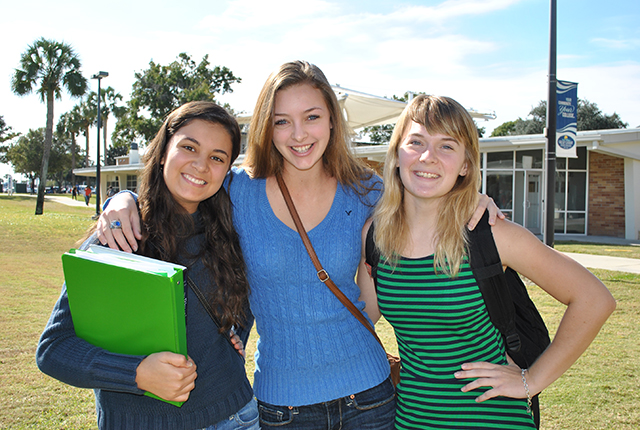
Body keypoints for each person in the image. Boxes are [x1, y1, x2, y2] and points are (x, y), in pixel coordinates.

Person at [96, 61, 501, 430]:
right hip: (283, 409)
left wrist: (472, 198)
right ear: (267, 128)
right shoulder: (237, 192)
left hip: (371, 398)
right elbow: (178, 197)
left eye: (312, 117)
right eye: (282, 121)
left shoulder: (367, 191)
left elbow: (427, 193)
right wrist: (122, 200)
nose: (299, 134)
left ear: (330, 122)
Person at [360, 94, 616, 429]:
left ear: (466, 165)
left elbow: (595, 299)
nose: (428, 157)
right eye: (416, 142)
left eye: (447, 146)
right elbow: (360, 321)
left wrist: (531, 380)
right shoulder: (376, 236)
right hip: (412, 420)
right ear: (396, 155)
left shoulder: (491, 234)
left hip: (493, 418)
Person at [36, 101, 258, 430]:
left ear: (227, 171)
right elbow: (54, 349)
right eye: (189, 147)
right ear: (164, 150)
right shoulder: (120, 236)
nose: (200, 165)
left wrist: (234, 331)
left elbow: (245, 298)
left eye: (217, 157)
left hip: (235, 416)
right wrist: (137, 373)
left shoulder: (231, 230)